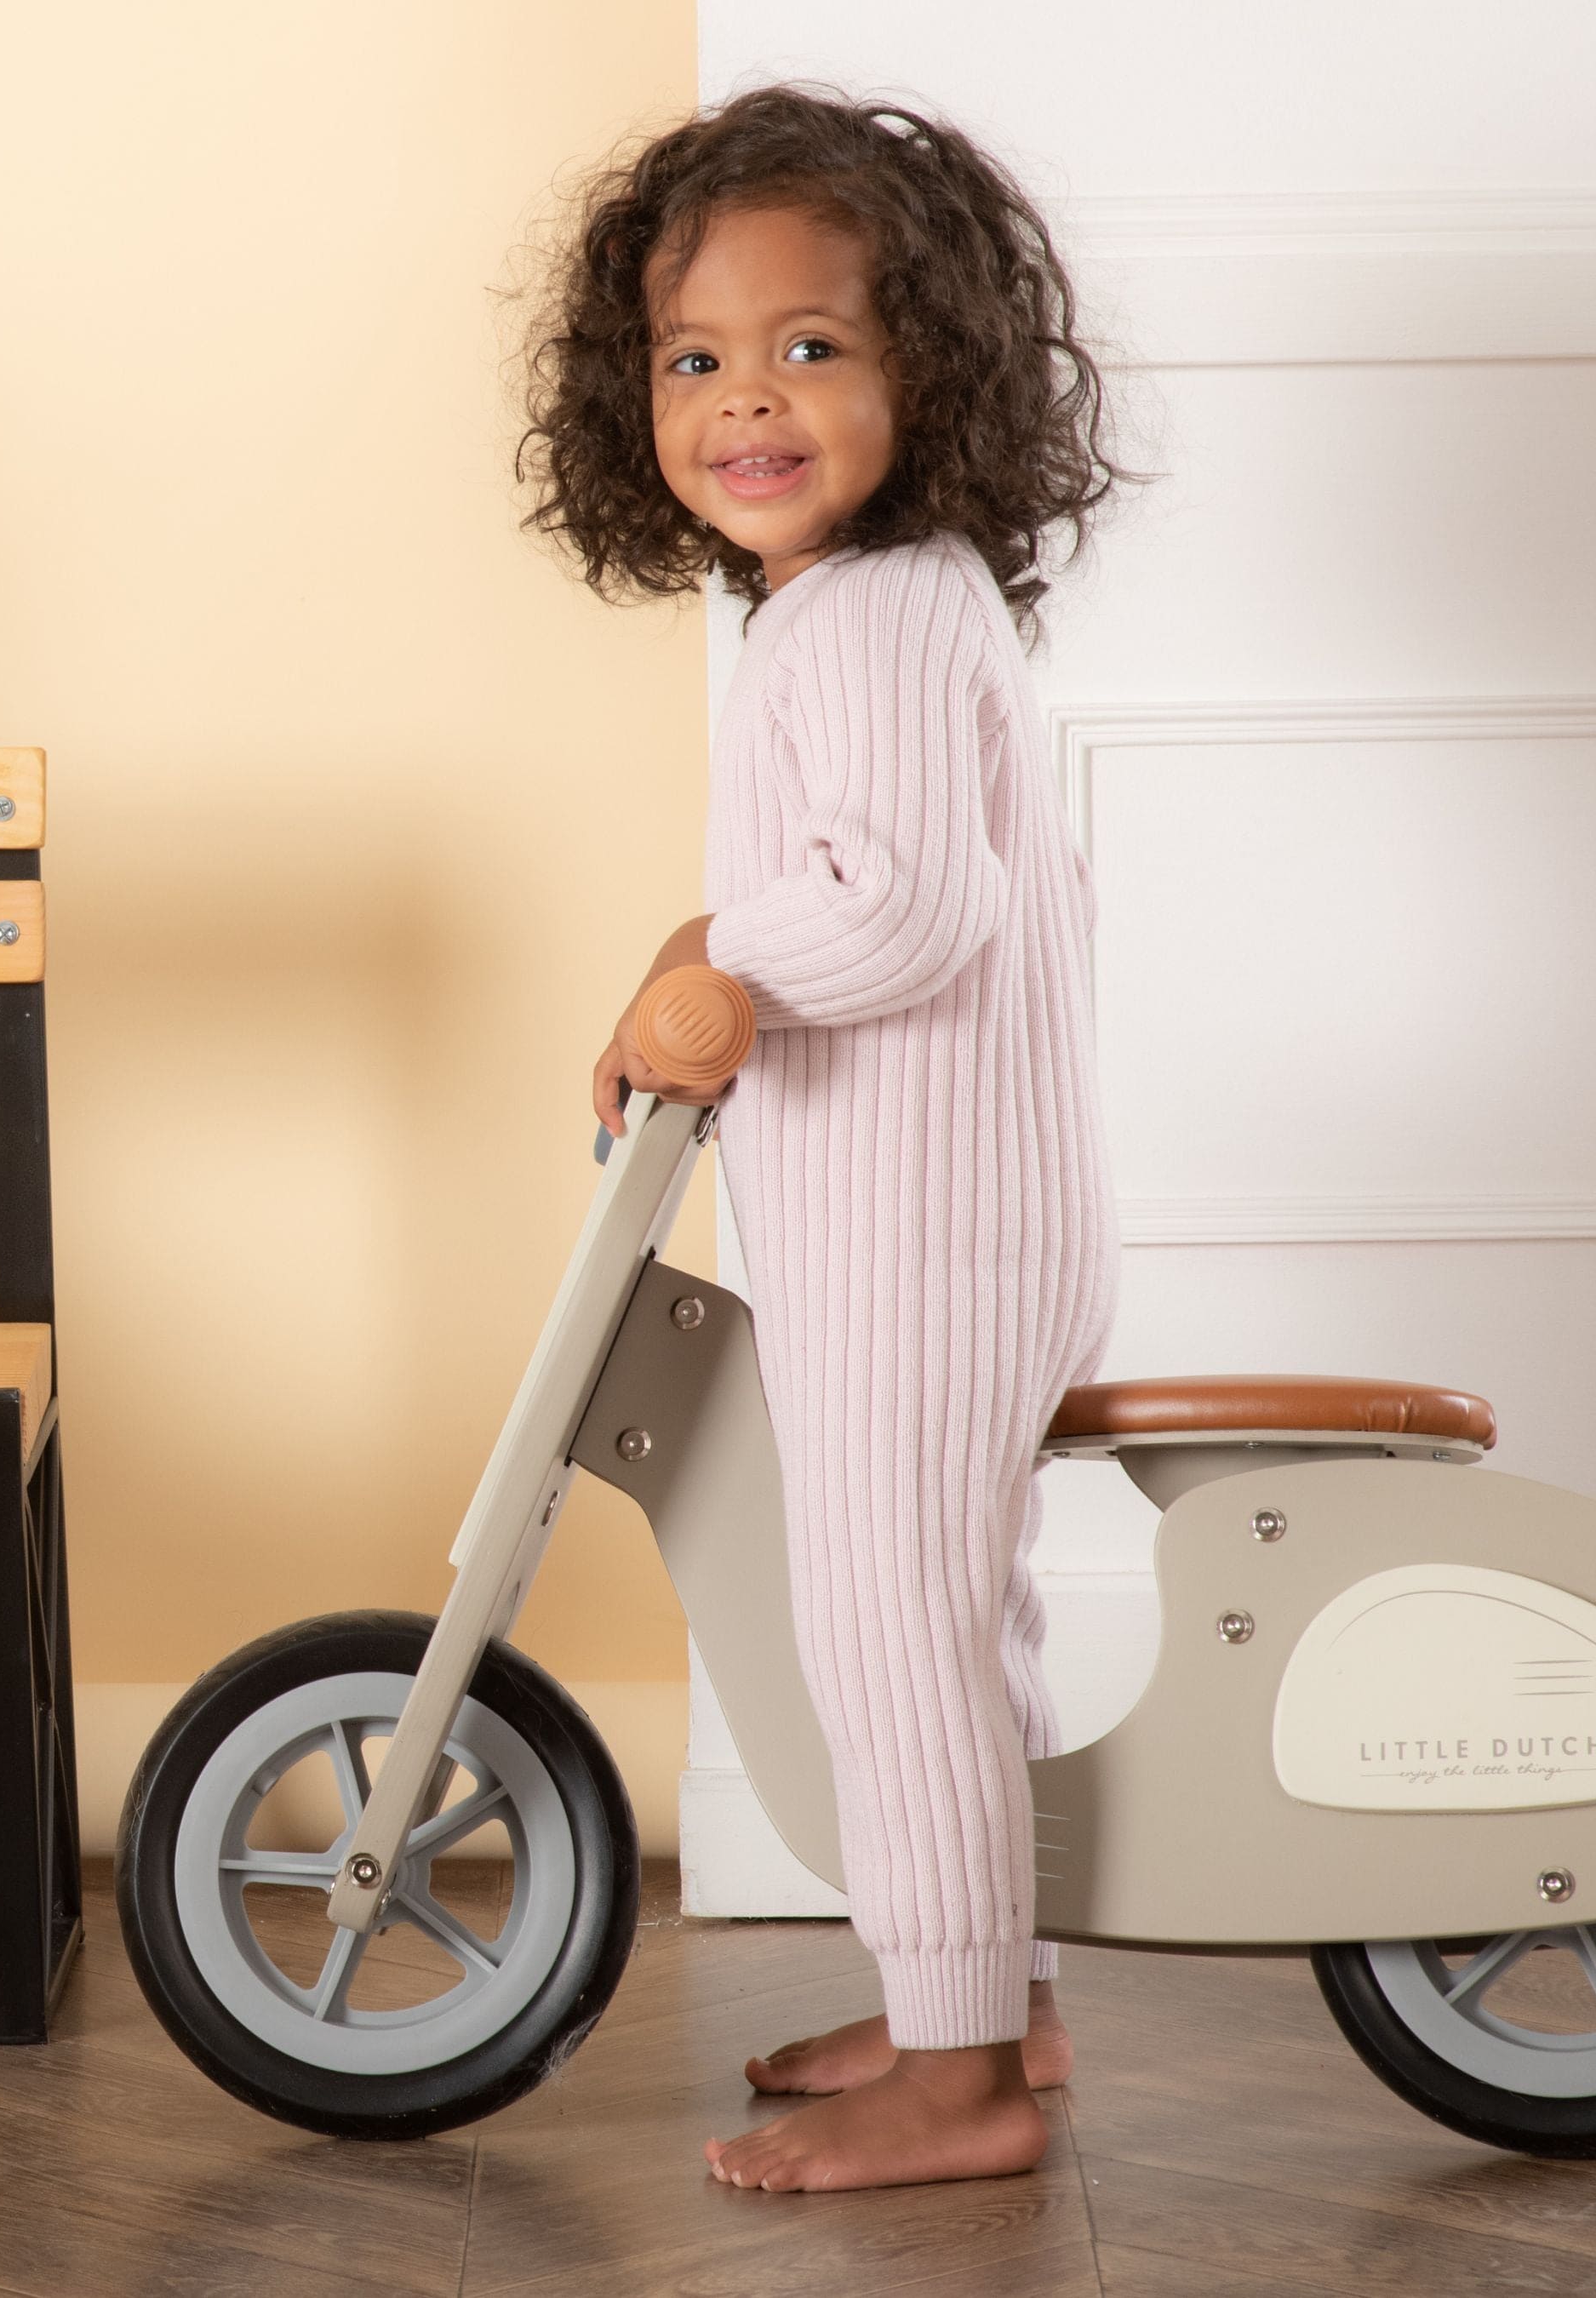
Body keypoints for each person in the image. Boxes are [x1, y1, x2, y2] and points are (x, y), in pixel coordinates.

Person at [516, 81, 1141, 2192]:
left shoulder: (864, 611)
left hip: (924, 1242)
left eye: (809, 346)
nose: (746, 402)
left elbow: (899, 904)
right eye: (694, 360)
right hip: (955, 1219)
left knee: (894, 1628)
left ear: (928, 370)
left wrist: (719, 980)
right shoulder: (893, 600)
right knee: (957, 1618)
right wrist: (714, 940)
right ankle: (987, 1996)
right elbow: (870, 880)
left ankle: (961, 2089)